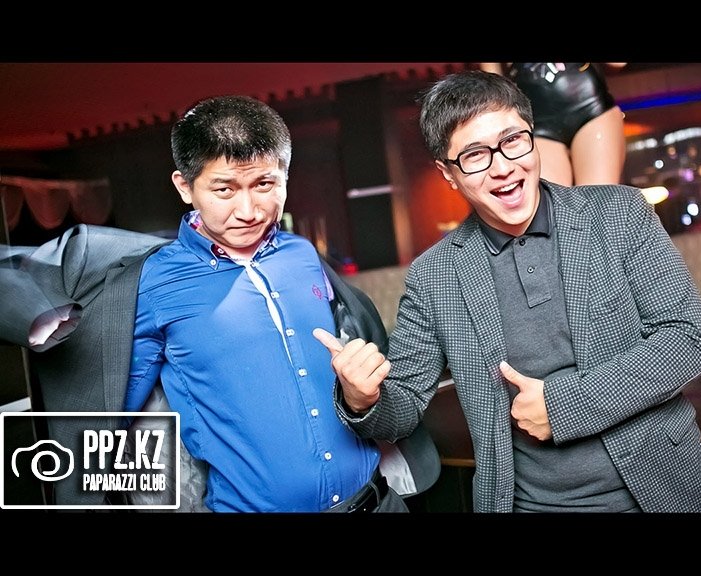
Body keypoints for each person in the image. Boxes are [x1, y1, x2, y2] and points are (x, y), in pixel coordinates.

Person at [314, 70, 701, 513]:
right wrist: (362, 398)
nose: (503, 167)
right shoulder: (435, 276)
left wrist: (563, 405)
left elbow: (688, 340)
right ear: (448, 173)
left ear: (533, 137)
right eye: (475, 155)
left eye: (512, 140)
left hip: (665, 491)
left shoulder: (619, 214)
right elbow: (403, 405)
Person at [0, 95, 438, 512]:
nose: (248, 210)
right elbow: (107, 410)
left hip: (377, 501)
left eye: (264, 184)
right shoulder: (152, 282)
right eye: (224, 189)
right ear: (185, 187)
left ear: (285, 177)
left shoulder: (303, 255)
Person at [479, 62, 627, 186]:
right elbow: (494, 84)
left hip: (590, 106)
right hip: (536, 121)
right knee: (551, 207)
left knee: (598, 201)